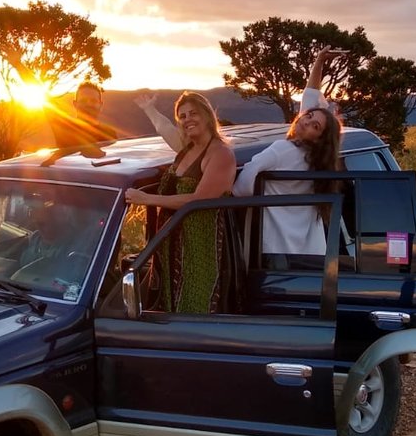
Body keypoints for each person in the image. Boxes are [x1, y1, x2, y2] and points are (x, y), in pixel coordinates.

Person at [125, 92, 236, 312]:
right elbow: (164, 128)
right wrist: (149, 108)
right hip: (172, 244)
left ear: (207, 116)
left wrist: (147, 199)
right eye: (182, 116)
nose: (188, 119)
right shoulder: (188, 150)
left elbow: (199, 200)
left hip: (199, 247)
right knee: (170, 302)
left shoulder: (221, 154)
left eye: (193, 113)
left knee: (194, 302)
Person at [232, 48, 345, 260]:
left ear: (319, 137)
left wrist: (241, 196)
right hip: (314, 251)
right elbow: (310, 100)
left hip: (278, 251)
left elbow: (243, 185)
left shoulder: (281, 149)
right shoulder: (320, 161)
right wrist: (319, 61)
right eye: (308, 116)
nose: (306, 120)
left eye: (315, 126)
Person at [45, 81, 116, 156]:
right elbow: (48, 106)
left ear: (100, 105)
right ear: (75, 104)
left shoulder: (109, 133)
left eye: (93, 101)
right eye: (83, 100)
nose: (88, 104)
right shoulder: (65, 129)